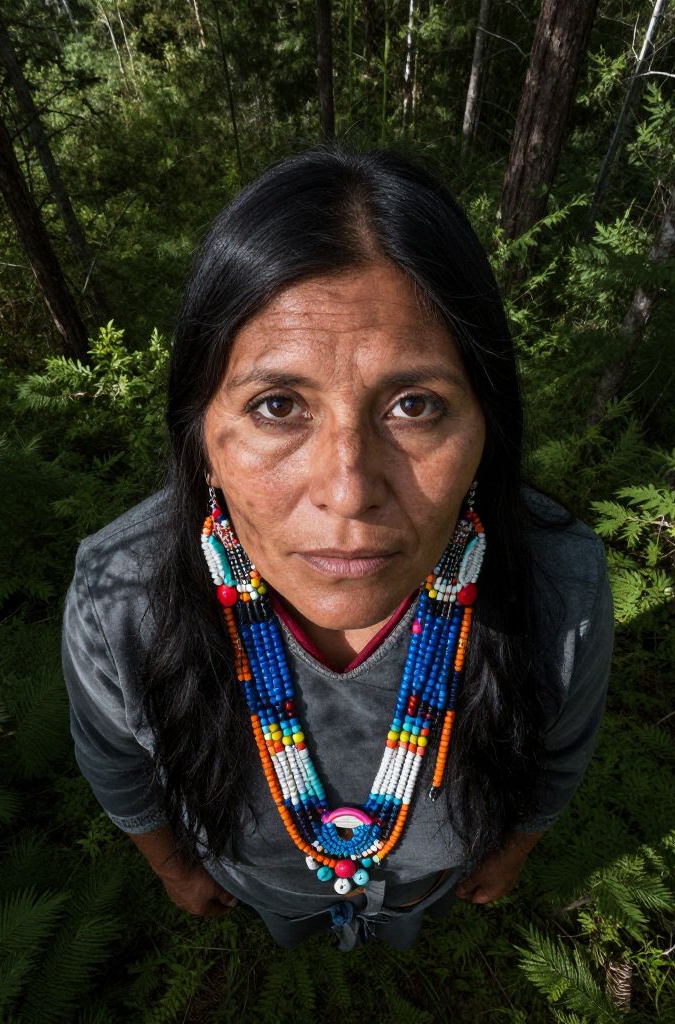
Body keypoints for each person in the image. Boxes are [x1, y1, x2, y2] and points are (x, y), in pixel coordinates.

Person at [61, 144, 614, 952]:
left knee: (399, 936)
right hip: (261, 892)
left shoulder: (560, 587)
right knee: (295, 940)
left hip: (427, 894)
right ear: (201, 440)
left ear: (486, 428)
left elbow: (558, 755)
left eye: (415, 404)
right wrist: (179, 871)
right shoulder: (121, 599)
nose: (349, 489)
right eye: (278, 405)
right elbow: (115, 763)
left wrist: (513, 848)